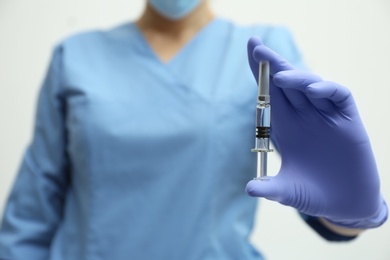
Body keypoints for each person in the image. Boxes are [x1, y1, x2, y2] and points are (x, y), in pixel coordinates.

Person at [0, 0, 387, 259]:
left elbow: (311, 193)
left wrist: (349, 208)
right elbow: (30, 216)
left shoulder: (262, 53)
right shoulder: (75, 56)